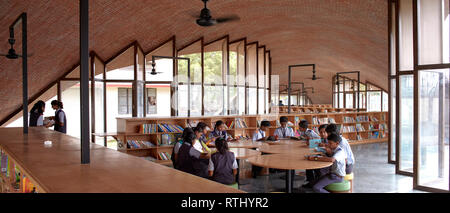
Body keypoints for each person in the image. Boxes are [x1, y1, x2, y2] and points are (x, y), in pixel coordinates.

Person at [303, 124, 329, 188]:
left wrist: (324, 147)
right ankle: (311, 182)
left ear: (328, 132)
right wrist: (310, 142)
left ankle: (317, 181)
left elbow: (329, 151)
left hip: (329, 160)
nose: (322, 134)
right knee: (309, 162)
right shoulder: (323, 139)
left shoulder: (330, 139)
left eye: (324, 132)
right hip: (325, 157)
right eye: (321, 132)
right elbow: (317, 144)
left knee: (313, 163)